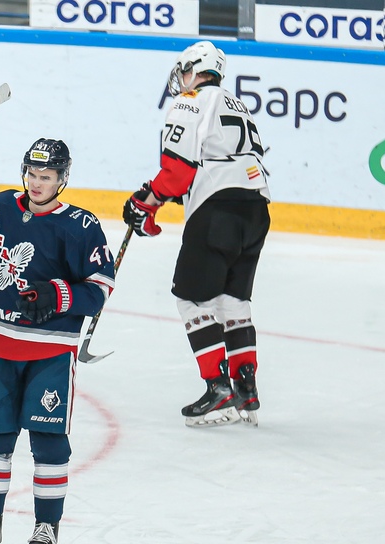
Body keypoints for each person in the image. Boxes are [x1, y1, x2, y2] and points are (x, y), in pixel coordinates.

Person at [0, 138, 115, 544]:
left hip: (50, 351)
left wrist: (57, 295)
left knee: (48, 442)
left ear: (62, 179)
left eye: (46, 177)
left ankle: (46, 525)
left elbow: (100, 288)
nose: (36, 183)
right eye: (32, 174)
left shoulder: (81, 225)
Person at [122, 40, 270, 427]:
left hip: (218, 213)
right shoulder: (237, 104)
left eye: (184, 71)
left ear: (193, 69)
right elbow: (213, 168)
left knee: (190, 298)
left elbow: (177, 171)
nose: (181, 79)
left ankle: (218, 389)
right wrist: (158, 196)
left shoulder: (191, 100)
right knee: (233, 300)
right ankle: (245, 388)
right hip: (255, 210)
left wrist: (146, 202)